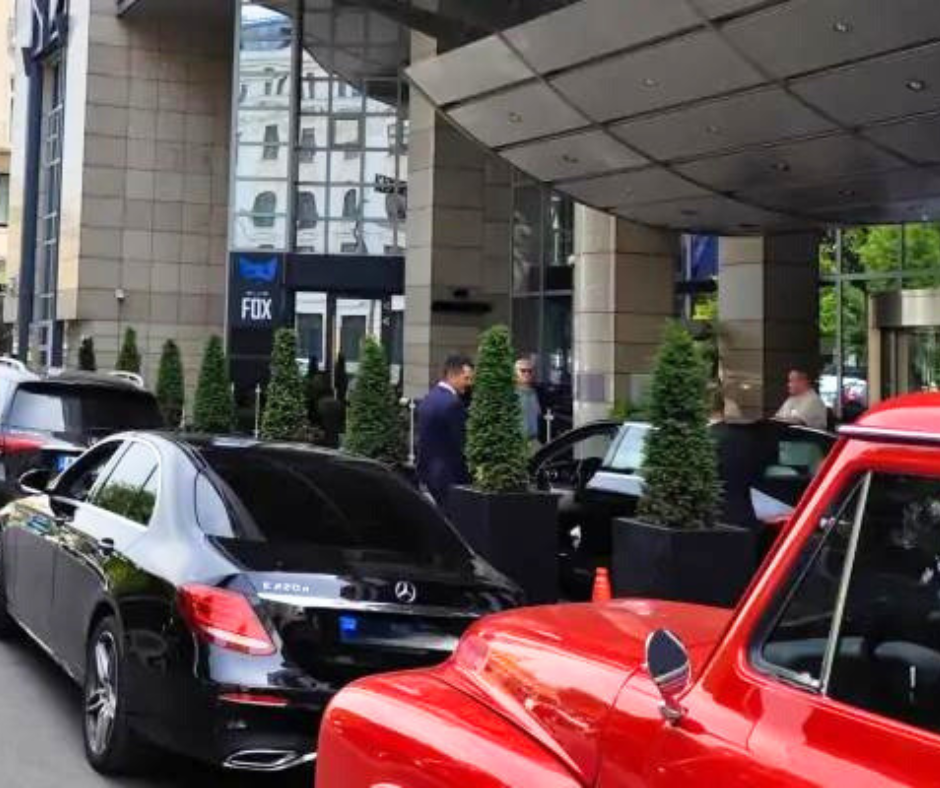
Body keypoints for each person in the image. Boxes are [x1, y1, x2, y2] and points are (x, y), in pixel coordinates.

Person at [416, 355, 475, 508]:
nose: (469, 383)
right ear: (452, 375)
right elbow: (463, 442)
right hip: (449, 476)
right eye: (466, 378)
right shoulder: (452, 404)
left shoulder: (429, 398)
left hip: (430, 473)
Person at [515, 357, 542, 448]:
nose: (527, 373)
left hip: (533, 440)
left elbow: (539, 415)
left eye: (530, 371)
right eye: (523, 371)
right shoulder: (510, 394)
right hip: (516, 443)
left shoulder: (536, 393)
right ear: (515, 373)